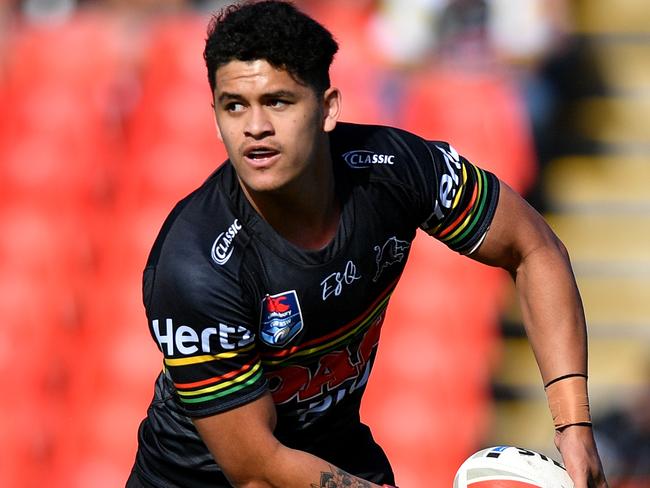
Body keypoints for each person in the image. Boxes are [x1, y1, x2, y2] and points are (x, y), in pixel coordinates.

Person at [126, 1, 608, 487]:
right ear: (214, 118)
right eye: (235, 106)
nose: (255, 128)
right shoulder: (196, 265)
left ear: (328, 107)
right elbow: (256, 469)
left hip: (337, 454)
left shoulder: (396, 169)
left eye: (278, 101)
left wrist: (574, 426)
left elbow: (534, 247)